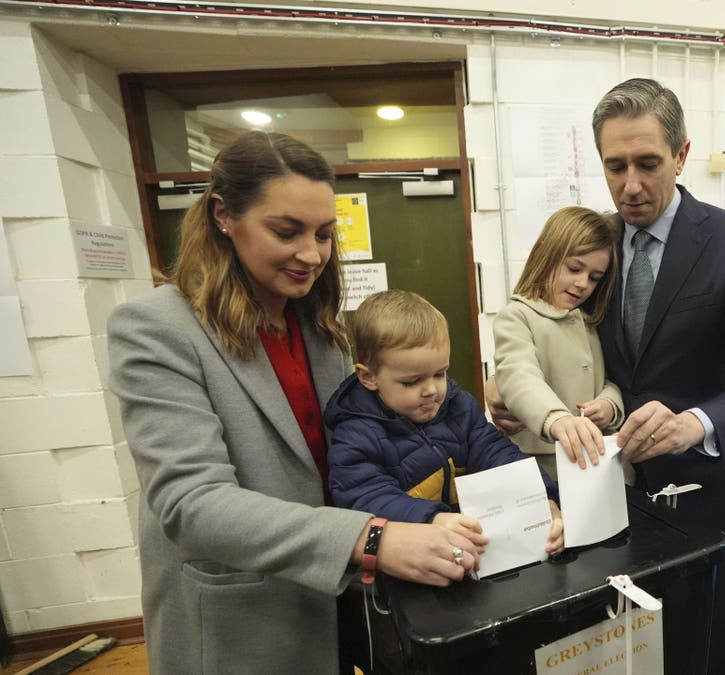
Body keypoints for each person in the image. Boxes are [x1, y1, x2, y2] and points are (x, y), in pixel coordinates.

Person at [108, 131, 479, 675]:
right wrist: (370, 537)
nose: (311, 255)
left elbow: (361, 439)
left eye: (325, 235)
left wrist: (461, 426)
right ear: (221, 215)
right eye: (286, 231)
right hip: (246, 619)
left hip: (333, 602)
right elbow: (191, 503)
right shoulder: (156, 328)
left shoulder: (316, 326)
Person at [490, 78, 725, 674]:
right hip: (597, 490)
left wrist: (695, 424)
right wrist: (505, 392)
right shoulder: (594, 245)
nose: (630, 185)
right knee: (610, 648)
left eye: (648, 163)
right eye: (614, 165)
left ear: (681, 154)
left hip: (702, 491)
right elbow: (547, 336)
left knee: (698, 646)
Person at [325, 289, 563, 551]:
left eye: (439, 374)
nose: (432, 390)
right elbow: (368, 498)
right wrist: (433, 519)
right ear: (368, 377)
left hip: (467, 550)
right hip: (409, 568)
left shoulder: (457, 406)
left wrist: (541, 496)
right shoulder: (356, 436)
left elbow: (496, 453)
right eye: (411, 381)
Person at [492, 206, 624, 479]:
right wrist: (557, 419)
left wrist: (610, 405)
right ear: (547, 255)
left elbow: (609, 379)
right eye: (574, 268)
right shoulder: (517, 316)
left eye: (594, 278)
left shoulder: (590, 321)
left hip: (597, 461)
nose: (582, 284)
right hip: (543, 467)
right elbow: (519, 375)